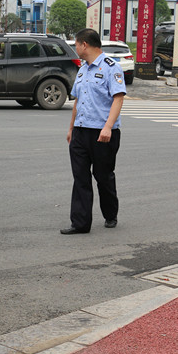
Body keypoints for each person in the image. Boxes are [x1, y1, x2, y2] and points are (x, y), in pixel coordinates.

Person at [62, 28, 126, 235]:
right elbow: (77, 101)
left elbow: (118, 98)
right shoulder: (82, 69)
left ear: (85, 45)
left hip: (103, 132)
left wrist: (108, 127)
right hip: (81, 132)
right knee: (80, 177)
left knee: (103, 176)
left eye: (77, 45)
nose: (76, 48)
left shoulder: (111, 67)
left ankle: (110, 214)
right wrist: (72, 128)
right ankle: (80, 223)